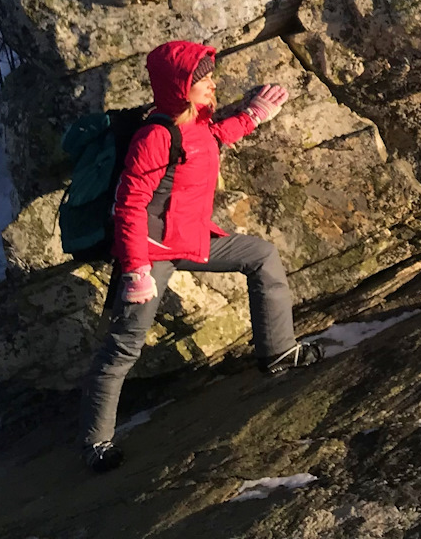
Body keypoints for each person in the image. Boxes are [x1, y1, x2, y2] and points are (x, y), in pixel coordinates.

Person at [80, 39, 322, 473]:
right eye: (202, 79)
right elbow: (129, 206)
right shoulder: (155, 136)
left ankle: (279, 352)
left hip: (189, 239)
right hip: (151, 254)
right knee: (122, 347)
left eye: (210, 77)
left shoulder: (196, 124)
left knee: (261, 255)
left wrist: (251, 116)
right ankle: (96, 442)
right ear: (179, 87)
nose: (212, 85)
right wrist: (136, 271)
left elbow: (213, 139)